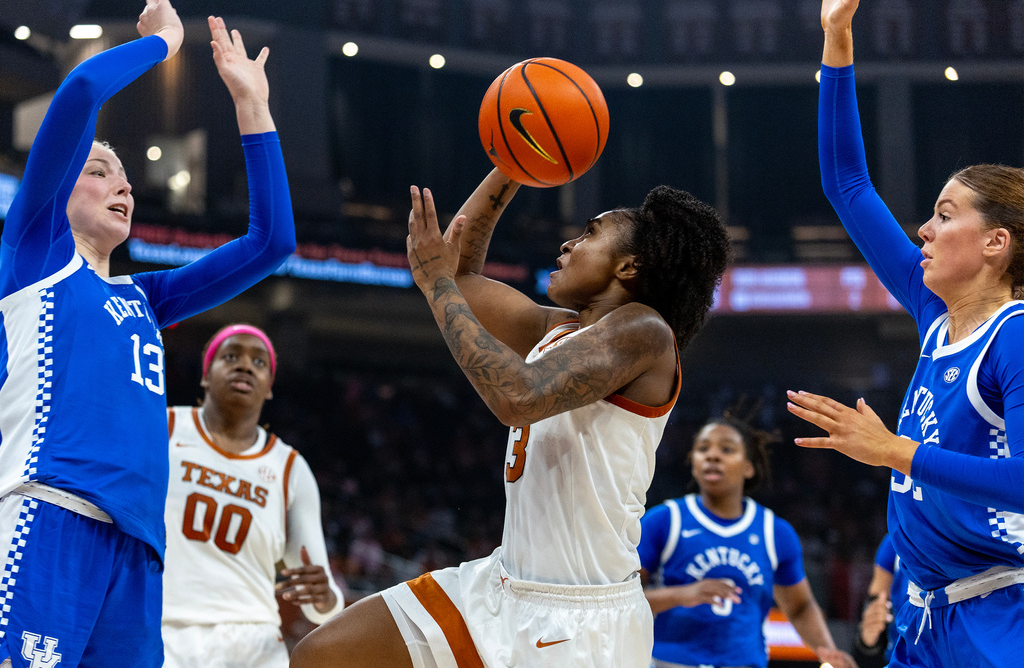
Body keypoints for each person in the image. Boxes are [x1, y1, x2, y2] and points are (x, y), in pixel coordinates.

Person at [289, 169, 731, 667]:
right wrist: (512, 166)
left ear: (629, 266)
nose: (567, 243)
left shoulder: (644, 331)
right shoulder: (559, 328)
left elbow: (517, 397)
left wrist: (438, 284)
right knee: (322, 656)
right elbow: (459, 278)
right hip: (499, 585)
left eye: (589, 233)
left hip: (581, 620)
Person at [0, 0, 296, 664]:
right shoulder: (33, 254)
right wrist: (165, 44)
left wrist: (253, 105)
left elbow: (271, 242)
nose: (123, 186)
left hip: (139, 553)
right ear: (58, 187)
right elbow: (78, 94)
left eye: (128, 179)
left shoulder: (144, 297)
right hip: (50, 514)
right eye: (101, 171)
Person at [787, 0, 1024, 665]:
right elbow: (846, 183)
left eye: (946, 215)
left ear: (995, 243)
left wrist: (895, 450)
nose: (923, 227)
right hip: (922, 619)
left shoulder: (1013, 336)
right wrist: (837, 38)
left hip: (996, 616)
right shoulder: (932, 313)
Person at [162, 324, 345, 667]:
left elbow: (322, 606)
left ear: (270, 388)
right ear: (206, 375)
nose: (245, 366)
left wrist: (324, 597)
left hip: (253, 644)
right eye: (230, 357)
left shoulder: (290, 467)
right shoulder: (163, 428)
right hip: (163, 629)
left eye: (259, 362)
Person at [637, 414, 855, 668]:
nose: (713, 456)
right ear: (693, 462)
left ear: (748, 467)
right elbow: (624, 599)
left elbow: (799, 607)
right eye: (703, 449)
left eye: (727, 449)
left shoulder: (775, 532)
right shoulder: (664, 520)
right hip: (669, 662)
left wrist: (829, 652)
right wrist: (681, 594)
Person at [851, 534, 905, 668]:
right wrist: (868, 638)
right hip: (903, 658)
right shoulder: (895, 541)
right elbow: (872, 613)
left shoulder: (960, 531)